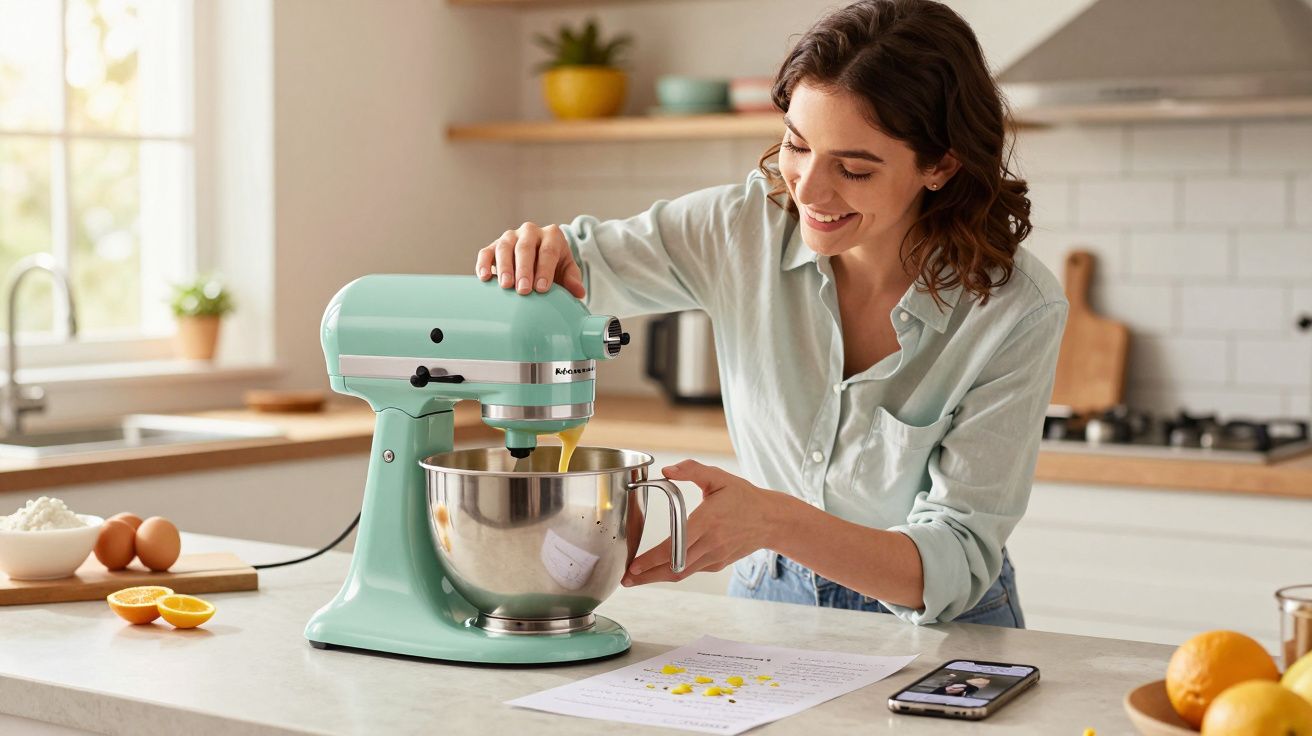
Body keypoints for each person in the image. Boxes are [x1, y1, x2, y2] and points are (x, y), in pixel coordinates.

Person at [473, 0, 1067, 627]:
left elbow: (957, 559)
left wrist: (774, 519)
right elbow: (582, 266)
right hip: (772, 596)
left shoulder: (1013, 310)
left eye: (854, 169)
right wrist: (537, 254)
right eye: (797, 145)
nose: (808, 190)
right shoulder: (740, 228)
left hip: (942, 631)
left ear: (940, 165)